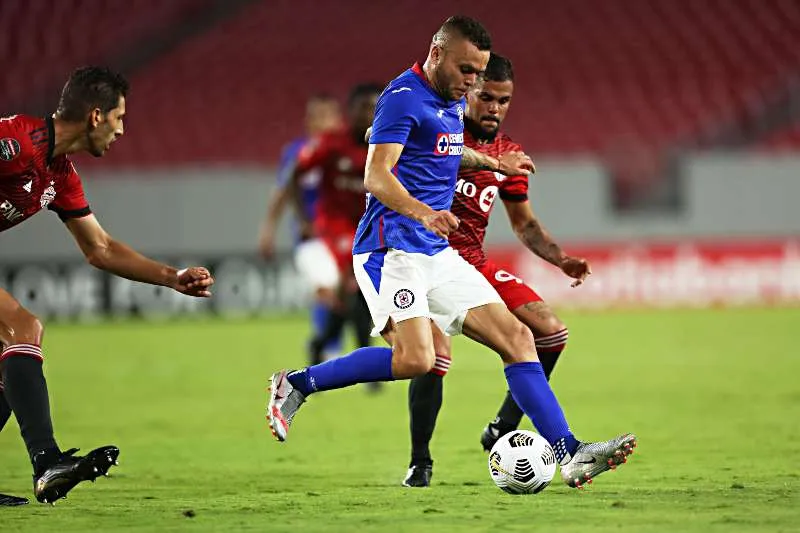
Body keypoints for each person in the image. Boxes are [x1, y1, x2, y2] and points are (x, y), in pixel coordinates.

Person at [266, 16, 635, 490]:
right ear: (436, 53)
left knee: (519, 339)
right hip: (390, 248)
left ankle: (571, 452)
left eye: (477, 73)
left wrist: (492, 162)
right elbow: (376, 176)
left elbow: (446, 149)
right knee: (417, 360)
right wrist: (423, 212)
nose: (471, 82)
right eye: (465, 69)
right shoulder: (401, 99)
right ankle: (298, 383)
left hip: (435, 252)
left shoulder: (450, 100)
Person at [0, 67, 214, 505]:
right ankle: (47, 462)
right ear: (96, 116)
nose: (122, 129)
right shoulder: (16, 142)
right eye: (119, 117)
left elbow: (100, 248)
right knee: (23, 328)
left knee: (6, 372)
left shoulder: (58, 173)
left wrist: (171, 278)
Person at [403, 53, 592, 487]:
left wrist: (560, 259)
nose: (494, 108)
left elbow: (524, 223)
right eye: (486, 97)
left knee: (550, 330)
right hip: (423, 259)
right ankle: (420, 461)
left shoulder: (509, 154)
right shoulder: (437, 129)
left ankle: (503, 426)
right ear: (467, 91)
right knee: (434, 359)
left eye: (504, 101)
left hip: (474, 263)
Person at [288, 83, 382, 374]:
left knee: (354, 296)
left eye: (375, 108)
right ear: (350, 111)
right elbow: (295, 175)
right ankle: (366, 363)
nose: (369, 114)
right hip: (336, 228)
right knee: (353, 286)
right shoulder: (332, 143)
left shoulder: (387, 143)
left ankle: (322, 343)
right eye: (363, 107)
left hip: (370, 227)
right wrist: (304, 219)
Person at [258, 94, 343, 359]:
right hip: (311, 238)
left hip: (344, 235)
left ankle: (332, 346)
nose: (320, 122)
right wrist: (268, 230)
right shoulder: (296, 152)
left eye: (326, 115)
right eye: (315, 116)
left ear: (338, 119)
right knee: (325, 288)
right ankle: (328, 348)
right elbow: (281, 193)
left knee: (347, 293)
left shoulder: (345, 150)